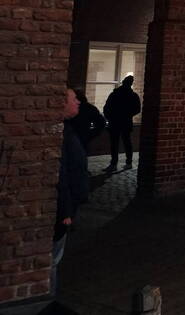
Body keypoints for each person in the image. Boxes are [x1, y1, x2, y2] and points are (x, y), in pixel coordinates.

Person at [53, 87, 89, 295]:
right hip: (63, 208)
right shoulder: (61, 133)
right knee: (53, 258)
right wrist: (66, 210)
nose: (78, 102)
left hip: (69, 204)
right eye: (74, 99)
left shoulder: (67, 129)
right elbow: (62, 172)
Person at [102, 75, 141, 172]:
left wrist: (110, 117)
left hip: (115, 121)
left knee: (115, 143)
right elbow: (137, 109)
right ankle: (128, 162)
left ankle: (114, 164)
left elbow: (107, 107)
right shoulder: (133, 96)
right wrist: (127, 114)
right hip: (125, 122)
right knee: (127, 142)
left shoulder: (115, 94)